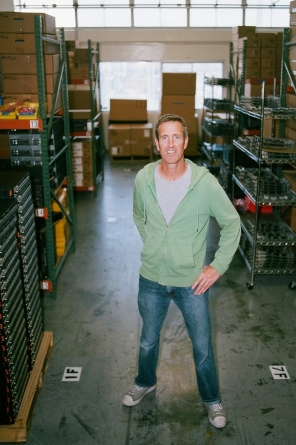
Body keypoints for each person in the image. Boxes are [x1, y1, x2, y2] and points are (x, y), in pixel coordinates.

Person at [122, 113, 241, 429]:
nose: (170, 143)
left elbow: (231, 223)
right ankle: (144, 381)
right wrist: (156, 247)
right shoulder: (143, 179)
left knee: (202, 345)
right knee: (148, 339)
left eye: (177, 137)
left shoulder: (205, 184)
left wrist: (216, 267)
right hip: (151, 279)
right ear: (156, 143)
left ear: (186, 142)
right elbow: (139, 217)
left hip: (192, 282)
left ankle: (212, 399)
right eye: (164, 137)